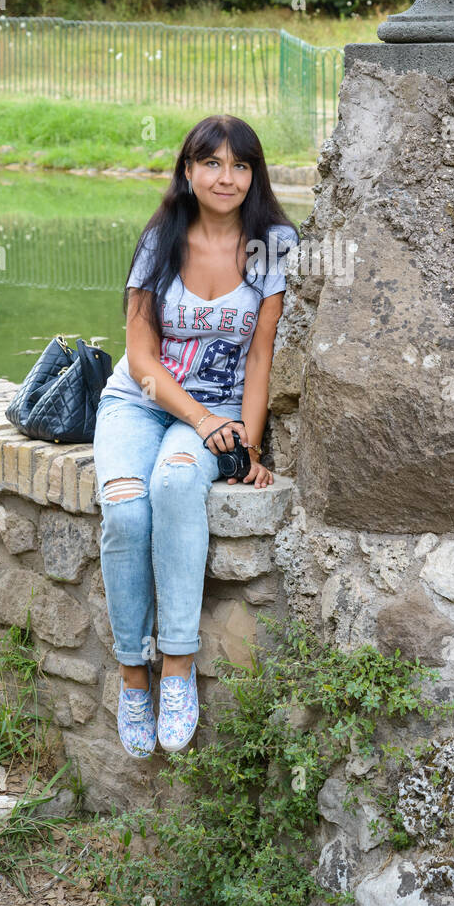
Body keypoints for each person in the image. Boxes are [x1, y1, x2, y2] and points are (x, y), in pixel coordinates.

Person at [93, 114, 299, 757]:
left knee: (178, 484)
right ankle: (133, 671)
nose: (226, 177)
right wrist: (206, 422)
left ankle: (177, 666)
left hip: (216, 414)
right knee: (127, 510)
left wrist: (249, 448)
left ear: (254, 175)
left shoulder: (275, 243)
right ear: (188, 170)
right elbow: (141, 359)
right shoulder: (161, 238)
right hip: (141, 402)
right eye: (211, 163)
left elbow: (261, 355)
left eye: (240, 165)